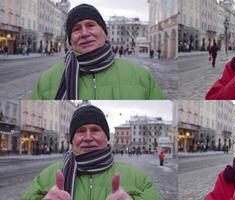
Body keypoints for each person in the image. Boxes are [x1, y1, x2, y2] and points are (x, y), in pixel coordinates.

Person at [21, 105, 160, 200]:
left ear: (107, 137)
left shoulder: (139, 179)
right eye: (81, 131)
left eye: (95, 130)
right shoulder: (46, 177)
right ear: (72, 139)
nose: (88, 138)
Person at [30, 4, 166, 100]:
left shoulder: (141, 76)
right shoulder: (47, 80)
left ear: (104, 32)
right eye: (76, 29)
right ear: (70, 40)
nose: (84, 33)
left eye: (91, 25)